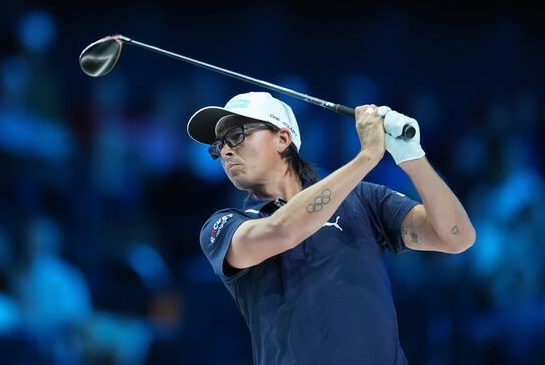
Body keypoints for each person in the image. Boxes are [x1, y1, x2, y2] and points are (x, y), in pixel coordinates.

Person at [186, 91, 476, 364]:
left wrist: (412, 157)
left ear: (282, 138)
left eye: (236, 136)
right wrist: (367, 157)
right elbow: (283, 230)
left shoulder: (363, 198)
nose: (225, 152)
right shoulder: (224, 226)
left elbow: (456, 237)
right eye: (219, 145)